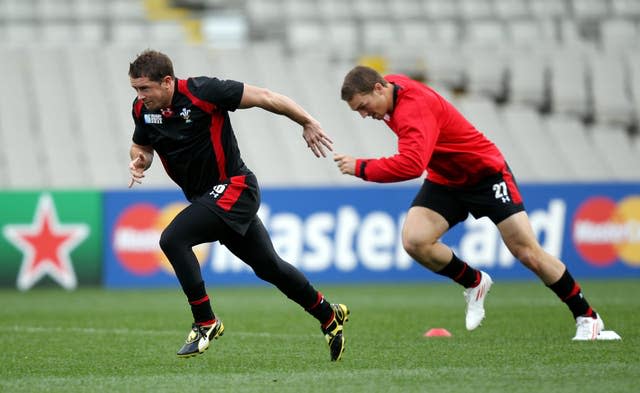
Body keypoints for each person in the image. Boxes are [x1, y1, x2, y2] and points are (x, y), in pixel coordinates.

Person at [334, 65, 605, 340]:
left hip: (485, 175)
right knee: (415, 241)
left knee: (528, 253)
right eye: (358, 111)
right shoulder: (389, 89)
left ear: (379, 88)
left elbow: (412, 165)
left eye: (364, 107)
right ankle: (474, 282)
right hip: (447, 179)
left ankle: (587, 317)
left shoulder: (412, 108)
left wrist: (361, 167)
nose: (364, 115)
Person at [126, 49, 349, 360]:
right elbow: (142, 145)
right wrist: (140, 161)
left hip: (235, 188)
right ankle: (328, 314)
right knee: (269, 267)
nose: (139, 95)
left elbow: (266, 97)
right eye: (135, 88)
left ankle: (206, 321)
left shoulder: (205, 92)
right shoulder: (142, 110)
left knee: (173, 239)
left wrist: (307, 121)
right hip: (209, 199)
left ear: (167, 82)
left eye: (144, 88)